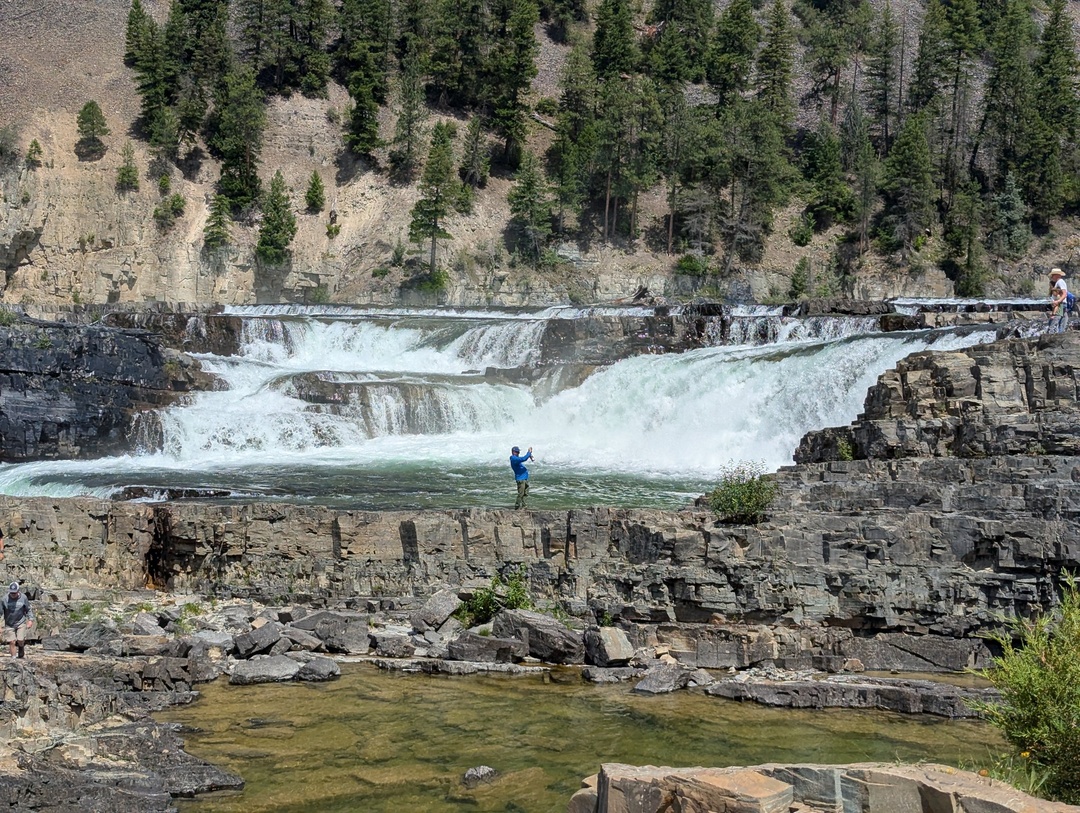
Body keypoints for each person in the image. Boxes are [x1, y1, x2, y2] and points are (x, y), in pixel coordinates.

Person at [2, 582, 33, 659]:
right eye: (11, 593)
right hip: (9, 623)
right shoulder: (4, 599)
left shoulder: (23, 598)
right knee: (12, 642)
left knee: (20, 639)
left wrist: (30, 620)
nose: (13, 594)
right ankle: (14, 659)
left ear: (18, 591)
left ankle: (21, 647)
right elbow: (0, 613)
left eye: (14, 593)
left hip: (21, 622)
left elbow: (28, 609)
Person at [1048, 268, 1069, 333]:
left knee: (1055, 319)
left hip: (1060, 304)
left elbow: (1064, 293)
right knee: (1064, 320)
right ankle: (1060, 334)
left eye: (1053, 275)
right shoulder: (1059, 282)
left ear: (1056, 275)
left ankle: (1050, 334)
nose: (1052, 277)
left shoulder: (1060, 282)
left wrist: (1058, 301)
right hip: (1062, 304)